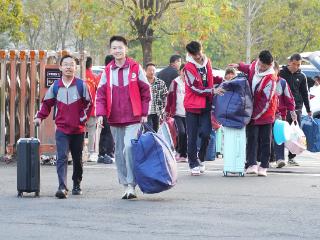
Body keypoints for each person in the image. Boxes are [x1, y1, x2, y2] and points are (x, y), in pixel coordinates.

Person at [96, 36, 151, 199]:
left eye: (120, 47)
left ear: (126, 49)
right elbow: (100, 93)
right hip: (114, 117)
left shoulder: (135, 67)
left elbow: (146, 91)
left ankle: (132, 184)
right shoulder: (108, 70)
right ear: (110, 51)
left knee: (128, 147)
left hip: (133, 117)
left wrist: (144, 112)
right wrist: (100, 113)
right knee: (118, 152)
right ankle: (125, 185)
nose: (117, 50)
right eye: (114, 48)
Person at [34, 55, 92, 199]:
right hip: (61, 128)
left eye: (71, 64)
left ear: (76, 68)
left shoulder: (81, 85)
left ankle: (76, 184)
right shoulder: (56, 86)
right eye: (65, 64)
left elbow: (89, 104)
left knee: (78, 159)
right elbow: (46, 103)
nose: (68, 67)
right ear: (60, 67)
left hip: (78, 129)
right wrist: (40, 117)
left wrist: (82, 119)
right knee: (61, 157)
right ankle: (62, 187)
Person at [229, 50, 277, 177]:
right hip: (251, 110)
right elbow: (248, 68)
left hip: (266, 113)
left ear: (270, 65)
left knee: (265, 140)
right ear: (258, 60)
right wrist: (239, 66)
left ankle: (264, 166)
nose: (261, 68)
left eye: (264, 66)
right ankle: (252, 164)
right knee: (252, 138)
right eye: (260, 64)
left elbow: (265, 102)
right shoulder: (254, 65)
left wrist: (254, 115)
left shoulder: (271, 78)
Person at [183, 41, 224, 176]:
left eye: (199, 53)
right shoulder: (188, 68)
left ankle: (201, 158)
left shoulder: (207, 62)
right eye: (195, 55)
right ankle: (193, 163)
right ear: (190, 54)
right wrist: (213, 90)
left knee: (207, 134)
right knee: (192, 137)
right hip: (192, 107)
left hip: (206, 105)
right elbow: (194, 88)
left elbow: (210, 78)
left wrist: (223, 80)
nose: (198, 56)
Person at [279, 53, 312, 166]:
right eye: (294, 64)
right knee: (281, 133)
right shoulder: (281, 73)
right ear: (290, 62)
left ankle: (291, 157)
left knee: (294, 134)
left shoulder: (302, 76)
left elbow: (304, 93)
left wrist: (308, 109)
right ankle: (279, 157)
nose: (296, 67)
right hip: (282, 108)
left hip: (297, 107)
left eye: (298, 65)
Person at [270, 62, 296, 168]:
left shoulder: (282, 82)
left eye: (273, 69)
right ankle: (268, 158)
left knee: (278, 137)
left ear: (277, 70)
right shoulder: (262, 81)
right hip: (265, 115)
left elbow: (289, 98)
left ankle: (280, 158)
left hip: (280, 115)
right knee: (266, 138)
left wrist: (292, 111)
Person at [165, 64, 187, 162]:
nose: (185, 73)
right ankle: (179, 152)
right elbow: (170, 97)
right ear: (180, 71)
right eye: (184, 70)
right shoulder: (175, 82)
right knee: (181, 132)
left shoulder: (191, 82)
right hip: (177, 113)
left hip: (189, 113)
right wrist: (167, 110)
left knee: (187, 134)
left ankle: (184, 154)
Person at [96, 55, 115, 164]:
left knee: (104, 132)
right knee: (109, 132)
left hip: (102, 109)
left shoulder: (100, 76)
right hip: (109, 108)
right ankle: (108, 153)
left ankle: (101, 154)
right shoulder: (110, 75)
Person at [85, 56, 99, 162]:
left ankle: (78, 152)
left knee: (78, 132)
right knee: (91, 132)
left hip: (78, 110)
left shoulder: (76, 76)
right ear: (91, 65)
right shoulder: (93, 77)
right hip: (91, 109)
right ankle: (90, 153)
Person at [146, 62, 168, 132]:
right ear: (145, 71)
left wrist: (164, 109)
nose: (152, 72)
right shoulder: (142, 82)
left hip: (157, 112)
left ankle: (154, 143)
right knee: (148, 131)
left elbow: (165, 96)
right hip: (146, 112)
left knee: (156, 130)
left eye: (153, 70)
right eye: (149, 70)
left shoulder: (160, 83)